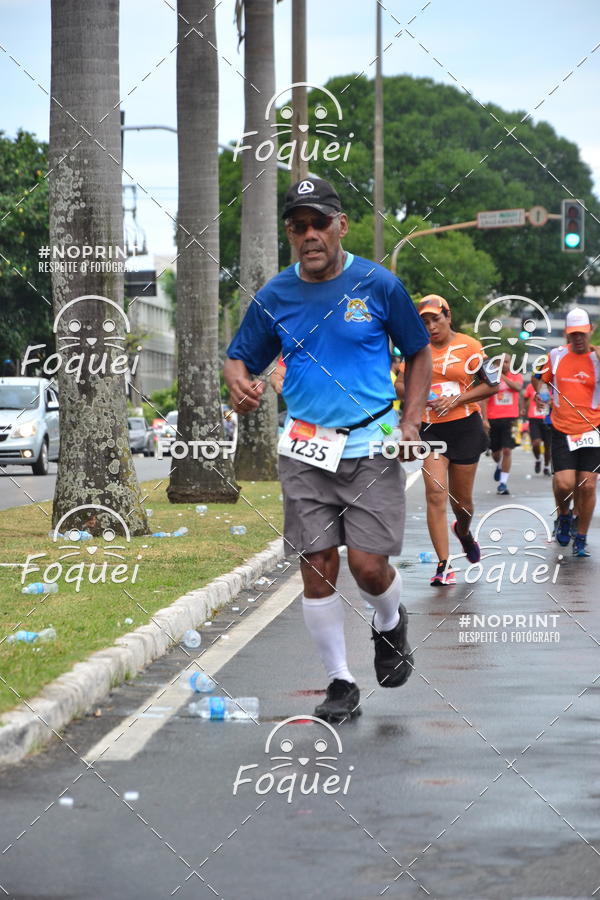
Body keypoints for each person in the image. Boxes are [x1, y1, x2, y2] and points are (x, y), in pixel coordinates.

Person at [224, 177, 431, 723]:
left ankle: (390, 624)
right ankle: (340, 683)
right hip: (306, 447)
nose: (310, 234)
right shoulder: (275, 296)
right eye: (299, 226)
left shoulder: (379, 284)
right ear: (290, 234)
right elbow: (239, 357)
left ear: (341, 224)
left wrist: (410, 421)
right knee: (316, 564)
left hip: (371, 443)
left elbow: (418, 351)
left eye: (319, 223)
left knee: (366, 567)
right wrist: (239, 383)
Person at [417, 295, 499, 586]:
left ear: (448, 317)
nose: (431, 327)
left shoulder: (471, 346)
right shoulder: (417, 347)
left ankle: (463, 531)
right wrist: (420, 391)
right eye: (425, 322)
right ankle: (444, 565)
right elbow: (401, 383)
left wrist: (456, 400)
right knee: (435, 493)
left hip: (465, 428)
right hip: (432, 430)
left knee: (461, 504)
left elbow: (493, 384)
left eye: (436, 319)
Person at [532, 307, 600, 557]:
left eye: (582, 333)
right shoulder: (556, 356)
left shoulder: (598, 358)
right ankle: (563, 515)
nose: (578, 338)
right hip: (562, 427)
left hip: (593, 428)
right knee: (565, 483)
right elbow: (537, 377)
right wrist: (541, 392)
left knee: (588, 485)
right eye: (573, 334)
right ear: (566, 334)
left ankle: (581, 536)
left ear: (590, 331)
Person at [482, 356, 523, 495]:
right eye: (502, 362)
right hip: (494, 418)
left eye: (507, 362)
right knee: (495, 452)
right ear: (496, 364)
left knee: (507, 450)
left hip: (511, 418)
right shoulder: (491, 378)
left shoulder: (516, 376)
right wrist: (484, 420)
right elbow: (484, 401)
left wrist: (503, 377)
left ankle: (503, 484)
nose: (505, 365)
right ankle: (499, 465)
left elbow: (517, 388)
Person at [522, 381, 551, 475]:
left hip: (548, 419)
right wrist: (524, 409)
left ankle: (546, 466)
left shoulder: (552, 386)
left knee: (548, 447)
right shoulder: (531, 386)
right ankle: (538, 459)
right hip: (534, 419)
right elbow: (525, 399)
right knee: (535, 443)